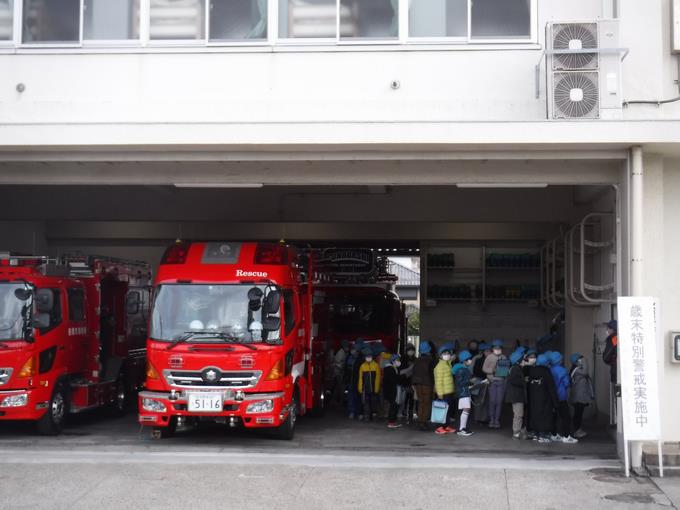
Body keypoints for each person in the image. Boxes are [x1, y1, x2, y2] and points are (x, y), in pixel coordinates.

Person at [527, 354, 558, 443]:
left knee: (535, 414)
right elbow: (551, 387)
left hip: (533, 398)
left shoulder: (531, 370)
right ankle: (543, 435)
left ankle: (536, 434)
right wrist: (555, 402)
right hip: (545, 397)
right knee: (545, 415)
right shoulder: (546, 371)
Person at [549, 351, 578, 443]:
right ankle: (566, 436)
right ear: (559, 360)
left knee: (553, 416)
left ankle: (553, 434)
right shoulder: (562, 370)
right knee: (565, 417)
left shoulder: (549, 370)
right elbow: (566, 383)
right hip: (561, 397)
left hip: (552, 397)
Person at [483, 339, 508, 429]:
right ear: (492, 348)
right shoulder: (489, 357)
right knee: (492, 401)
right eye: (495, 348)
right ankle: (491, 419)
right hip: (492, 382)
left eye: (499, 348)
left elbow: (505, 371)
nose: (497, 349)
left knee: (499, 402)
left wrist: (504, 371)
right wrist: (492, 370)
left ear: (501, 349)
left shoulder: (504, 357)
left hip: (501, 382)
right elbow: (484, 369)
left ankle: (497, 420)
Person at [569, 352, 594, 439]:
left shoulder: (578, 370)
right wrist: (584, 360)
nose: (582, 361)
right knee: (578, 414)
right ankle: (576, 430)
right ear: (577, 361)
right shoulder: (577, 370)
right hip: (578, 397)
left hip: (580, 396)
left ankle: (578, 429)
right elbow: (586, 372)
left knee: (579, 413)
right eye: (580, 359)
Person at [433, 344, 456, 435]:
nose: (447, 355)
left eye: (448, 353)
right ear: (440, 355)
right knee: (441, 410)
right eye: (444, 353)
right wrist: (440, 393)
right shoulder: (439, 367)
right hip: (443, 393)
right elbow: (438, 381)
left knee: (447, 410)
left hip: (449, 391)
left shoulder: (448, 364)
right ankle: (439, 427)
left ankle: (446, 426)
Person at [412, 341, 435, 431]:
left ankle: (420, 420)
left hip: (417, 384)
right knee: (426, 403)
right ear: (429, 351)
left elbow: (413, 372)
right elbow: (432, 374)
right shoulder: (431, 360)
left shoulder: (416, 360)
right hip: (427, 384)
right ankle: (423, 422)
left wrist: (413, 384)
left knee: (421, 402)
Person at [506, 348, 528, 440]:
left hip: (516, 396)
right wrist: (524, 381)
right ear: (518, 361)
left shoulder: (514, 368)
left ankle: (518, 431)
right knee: (518, 414)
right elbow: (514, 380)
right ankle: (516, 432)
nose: (524, 361)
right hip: (517, 396)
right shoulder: (516, 368)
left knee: (518, 414)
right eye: (523, 359)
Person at [452, 350, 474, 436]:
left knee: (466, 410)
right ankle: (462, 429)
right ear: (464, 360)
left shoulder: (464, 369)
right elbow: (459, 383)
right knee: (466, 410)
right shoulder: (461, 370)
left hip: (465, 392)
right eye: (469, 359)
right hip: (463, 392)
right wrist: (470, 381)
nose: (470, 360)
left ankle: (463, 428)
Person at [358, 347, 381, 421]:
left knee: (374, 402)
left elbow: (378, 377)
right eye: (367, 356)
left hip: (374, 388)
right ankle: (367, 416)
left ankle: (374, 415)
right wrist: (360, 388)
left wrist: (377, 388)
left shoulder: (376, 365)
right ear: (364, 357)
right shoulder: (362, 366)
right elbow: (360, 378)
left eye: (370, 356)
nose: (368, 358)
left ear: (372, 356)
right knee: (366, 403)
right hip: (365, 388)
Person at [383, 354, 405, 429]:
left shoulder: (392, 368)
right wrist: (403, 376)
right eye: (397, 360)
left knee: (394, 405)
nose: (399, 362)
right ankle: (391, 422)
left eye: (399, 360)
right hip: (391, 390)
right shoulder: (390, 369)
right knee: (393, 406)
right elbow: (394, 379)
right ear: (393, 361)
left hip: (391, 390)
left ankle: (393, 421)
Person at [346, 341, 364, 419]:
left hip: (359, 381)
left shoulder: (361, 360)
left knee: (359, 397)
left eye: (354, 349)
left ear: (358, 351)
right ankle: (352, 412)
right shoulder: (349, 357)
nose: (352, 351)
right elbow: (346, 369)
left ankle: (359, 412)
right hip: (350, 381)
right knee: (351, 397)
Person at [399, 343, 416, 422]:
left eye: (412, 350)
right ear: (406, 351)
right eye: (409, 350)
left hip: (412, 381)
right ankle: (404, 410)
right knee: (405, 397)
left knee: (412, 397)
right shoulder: (403, 359)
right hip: (405, 381)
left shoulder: (415, 359)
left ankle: (410, 411)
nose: (411, 352)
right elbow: (401, 371)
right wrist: (410, 368)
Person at [333, 340, 350, 404]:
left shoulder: (345, 352)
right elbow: (336, 363)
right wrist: (342, 367)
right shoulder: (340, 353)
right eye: (347, 346)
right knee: (340, 387)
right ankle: (340, 401)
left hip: (341, 372)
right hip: (338, 372)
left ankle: (338, 400)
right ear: (344, 346)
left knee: (339, 386)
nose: (347, 348)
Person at [602, 319, 618, 384]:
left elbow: (606, 357)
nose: (607, 330)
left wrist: (604, 356)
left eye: (608, 328)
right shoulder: (619, 337)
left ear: (612, 329)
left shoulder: (613, 339)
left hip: (615, 370)